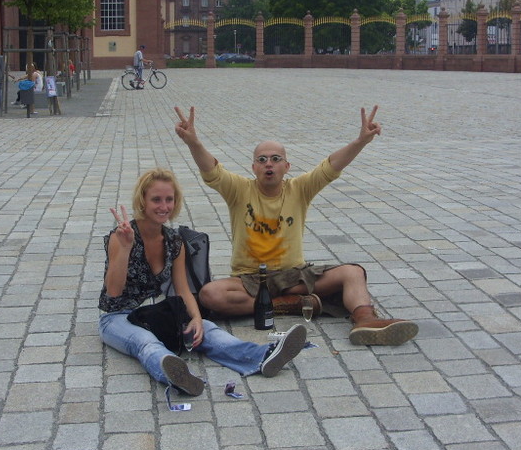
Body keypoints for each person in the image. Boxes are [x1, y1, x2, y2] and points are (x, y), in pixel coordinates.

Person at [174, 105, 419, 347]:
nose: (268, 163)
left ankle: (366, 320)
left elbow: (330, 167)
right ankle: (293, 304)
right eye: (262, 159)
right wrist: (193, 142)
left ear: (286, 166)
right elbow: (212, 171)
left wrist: (361, 141)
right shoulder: (238, 190)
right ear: (254, 167)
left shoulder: (299, 189)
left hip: (295, 276)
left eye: (276, 159)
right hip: (250, 280)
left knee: (353, 273)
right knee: (210, 295)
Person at [99, 168, 307, 396]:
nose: (164, 206)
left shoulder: (174, 241)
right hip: (116, 317)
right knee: (145, 342)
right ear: (143, 201)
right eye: (156, 199)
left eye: (169, 199)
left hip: (152, 313)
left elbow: (183, 290)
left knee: (207, 329)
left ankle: (262, 356)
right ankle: (175, 375)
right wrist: (126, 248)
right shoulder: (121, 237)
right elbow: (114, 291)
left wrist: (197, 319)